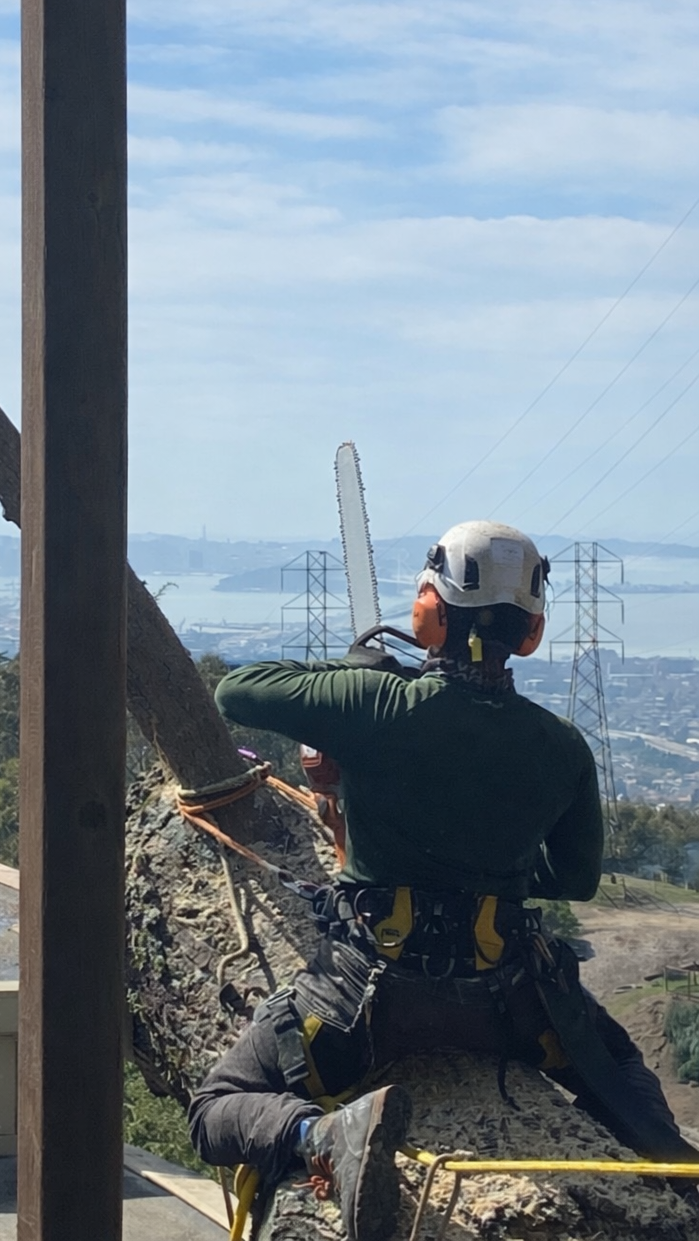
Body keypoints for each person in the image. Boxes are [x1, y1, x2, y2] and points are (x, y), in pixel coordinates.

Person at [187, 521, 698, 1241]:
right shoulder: (560, 745)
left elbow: (238, 690)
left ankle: (317, 1138)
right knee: (616, 1064)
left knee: (218, 1103)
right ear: (531, 634)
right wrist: (509, 865)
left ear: (429, 614)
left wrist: (368, 680)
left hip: (364, 1002)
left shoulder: (373, 705)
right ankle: (672, 1164)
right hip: (510, 1004)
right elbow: (576, 879)